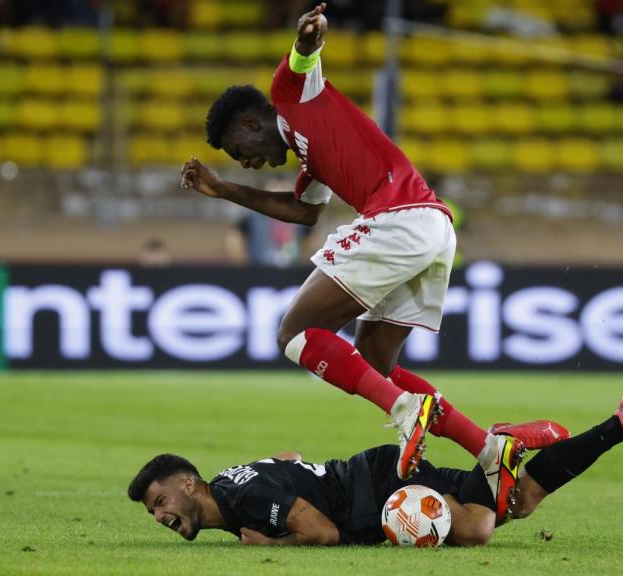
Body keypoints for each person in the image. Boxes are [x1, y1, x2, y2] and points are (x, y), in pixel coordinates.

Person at [179, 3, 547, 521]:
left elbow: (303, 57)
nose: (246, 162)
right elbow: (303, 212)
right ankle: (489, 450)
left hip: (400, 220)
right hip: (433, 229)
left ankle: (403, 410)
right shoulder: (311, 154)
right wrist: (223, 191)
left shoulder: (290, 97)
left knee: (292, 333)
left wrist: (309, 36)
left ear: (250, 121)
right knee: (376, 361)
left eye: (242, 150)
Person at [127, 394, 623, 547]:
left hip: (376, 490)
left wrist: (274, 546)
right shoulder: (230, 484)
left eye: (162, 502)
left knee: (481, 526)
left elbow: (323, 531)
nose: (161, 516)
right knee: (518, 500)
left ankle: (496, 443)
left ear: (188, 485)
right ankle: (622, 424)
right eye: (155, 511)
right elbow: (287, 458)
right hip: (370, 480)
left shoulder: (242, 501)